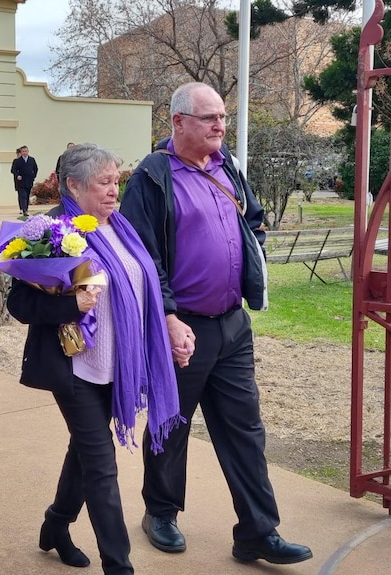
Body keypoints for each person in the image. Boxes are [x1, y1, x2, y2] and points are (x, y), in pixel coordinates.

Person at [119, 82, 313, 565]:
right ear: (178, 122)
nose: (220, 126)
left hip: (232, 325)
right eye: (208, 118)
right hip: (182, 327)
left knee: (244, 427)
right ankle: (160, 511)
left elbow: (256, 219)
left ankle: (257, 530)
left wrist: (253, 263)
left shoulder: (229, 167)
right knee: (171, 422)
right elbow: (142, 257)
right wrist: (166, 318)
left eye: (222, 117)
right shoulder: (153, 175)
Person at [7, 144, 181, 575]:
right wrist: (72, 306)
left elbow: (147, 280)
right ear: (73, 185)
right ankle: (119, 566)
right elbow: (20, 305)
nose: (113, 190)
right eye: (104, 182)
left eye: (116, 181)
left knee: (83, 454)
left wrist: (172, 325)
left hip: (119, 368)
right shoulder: (49, 232)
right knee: (102, 466)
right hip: (76, 368)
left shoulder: (122, 227)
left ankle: (56, 524)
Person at [10, 145, 38, 217]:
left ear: (28, 152)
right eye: (23, 151)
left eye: (26, 151)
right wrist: (17, 175)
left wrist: (33, 176)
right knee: (23, 196)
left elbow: (35, 168)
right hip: (21, 182)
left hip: (29, 181)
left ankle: (26, 209)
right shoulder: (17, 161)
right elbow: (13, 170)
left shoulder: (32, 160)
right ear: (21, 152)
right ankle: (24, 210)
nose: (24, 152)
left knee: (27, 195)